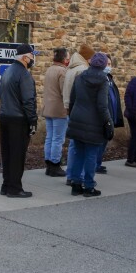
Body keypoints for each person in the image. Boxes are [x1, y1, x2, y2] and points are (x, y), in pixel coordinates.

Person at [66, 52, 113, 197]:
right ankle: (89, 186)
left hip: (78, 118)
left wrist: (73, 116)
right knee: (91, 155)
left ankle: (75, 184)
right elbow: (102, 106)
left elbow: (72, 99)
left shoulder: (80, 77)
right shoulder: (103, 80)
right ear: (104, 65)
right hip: (94, 122)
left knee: (78, 152)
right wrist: (108, 122)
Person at [0, 43, 38, 198]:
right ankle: (14, 188)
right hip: (18, 119)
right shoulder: (24, 75)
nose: (33, 59)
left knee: (7, 153)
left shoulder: (8, 71)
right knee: (17, 154)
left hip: (5, 116)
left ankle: (6, 184)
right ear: (24, 58)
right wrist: (33, 120)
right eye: (31, 56)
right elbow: (28, 100)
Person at [63, 43, 93, 185]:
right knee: (81, 146)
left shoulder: (71, 68)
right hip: (79, 110)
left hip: (70, 108)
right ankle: (77, 176)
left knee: (74, 145)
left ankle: (70, 174)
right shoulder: (82, 70)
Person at [42, 47, 70, 177]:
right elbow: (65, 92)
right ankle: (55, 164)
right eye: (68, 56)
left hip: (48, 108)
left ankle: (49, 163)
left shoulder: (49, 69)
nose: (69, 58)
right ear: (64, 58)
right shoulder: (62, 72)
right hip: (59, 110)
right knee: (58, 139)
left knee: (50, 137)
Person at [96, 54, 123, 174]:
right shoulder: (100, 79)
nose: (108, 66)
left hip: (110, 115)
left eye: (110, 64)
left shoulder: (109, 79)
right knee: (99, 142)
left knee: (104, 142)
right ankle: (95, 165)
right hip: (103, 117)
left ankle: (98, 163)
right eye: (106, 64)